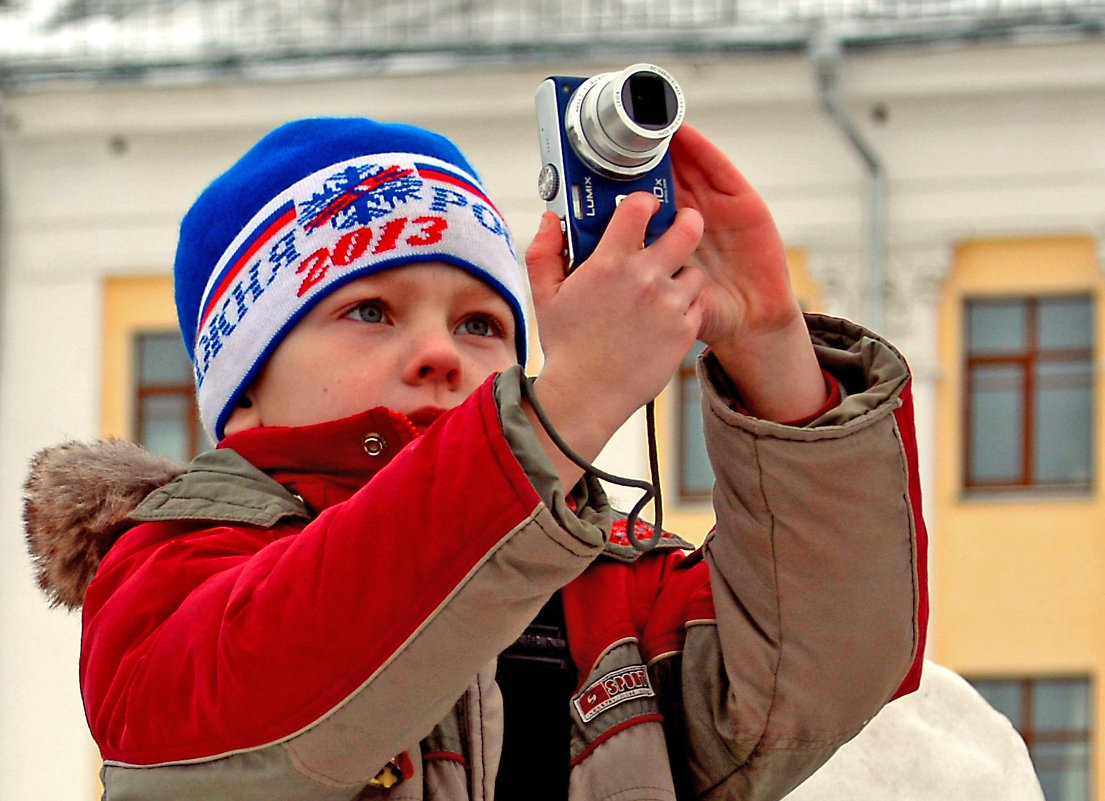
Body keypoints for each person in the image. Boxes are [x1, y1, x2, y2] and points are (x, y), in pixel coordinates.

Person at [24, 115, 927, 801]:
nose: (441, 353)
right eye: (370, 310)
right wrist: (559, 413)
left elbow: (822, 670)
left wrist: (769, 347)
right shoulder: (165, 570)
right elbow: (272, 698)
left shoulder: (610, 588)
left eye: (480, 324)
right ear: (246, 384)